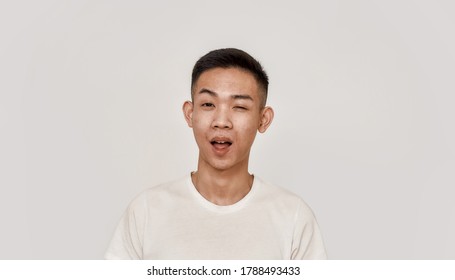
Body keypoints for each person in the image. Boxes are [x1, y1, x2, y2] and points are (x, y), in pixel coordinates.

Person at [105, 48, 327, 259]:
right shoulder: (146, 211)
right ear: (190, 114)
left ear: (263, 119)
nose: (221, 122)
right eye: (209, 104)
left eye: (239, 107)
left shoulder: (293, 217)